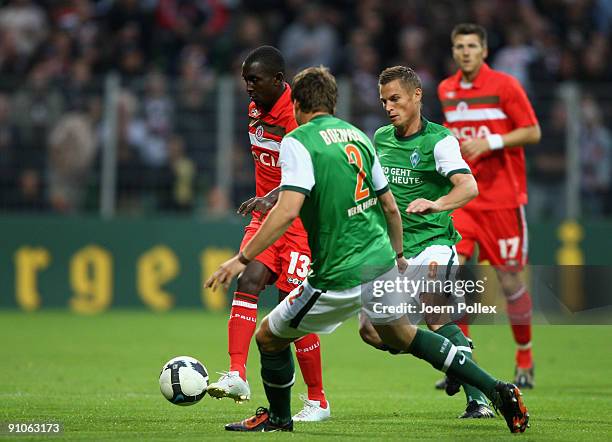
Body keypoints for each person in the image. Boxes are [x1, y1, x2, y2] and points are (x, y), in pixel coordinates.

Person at [205, 66, 529, 434]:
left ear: (295, 103)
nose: (389, 107)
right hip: (382, 261)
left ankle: (280, 418)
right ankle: (497, 388)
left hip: (340, 273)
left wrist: (241, 258)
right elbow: (390, 206)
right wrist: (397, 255)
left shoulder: (299, 140)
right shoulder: (359, 136)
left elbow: (289, 212)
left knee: (268, 335)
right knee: (397, 335)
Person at [357, 65, 495, 419]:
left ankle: (479, 400)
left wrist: (437, 203)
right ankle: (452, 359)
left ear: (417, 95)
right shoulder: (381, 138)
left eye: (395, 99)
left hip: (434, 242)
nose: (388, 107)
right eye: (383, 100)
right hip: (395, 251)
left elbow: (468, 186)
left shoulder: (439, 140)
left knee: (435, 314)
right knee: (371, 331)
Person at [205, 46, 330, 422]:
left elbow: (310, 173)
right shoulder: (255, 109)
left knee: (292, 310)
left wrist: (273, 197)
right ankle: (237, 375)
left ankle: (318, 400)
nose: (248, 87)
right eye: (245, 80)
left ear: (279, 80)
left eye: (254, 80)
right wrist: (266, 201)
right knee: (249, 280)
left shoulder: (298, 116)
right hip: (266, 218)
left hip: (299, 222)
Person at [437, 23, 541, 389]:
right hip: (466, 199)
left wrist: (492, 141)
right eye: (459, 46)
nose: (465, 52)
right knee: (451, 276)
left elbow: (532, 131)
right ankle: (462, 360)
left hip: (503, 201)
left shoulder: (505, 86)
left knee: (510, 280)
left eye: (471, 46)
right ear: (453, 51)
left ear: (484, 51)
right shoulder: (446, 89)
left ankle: (524, 358)